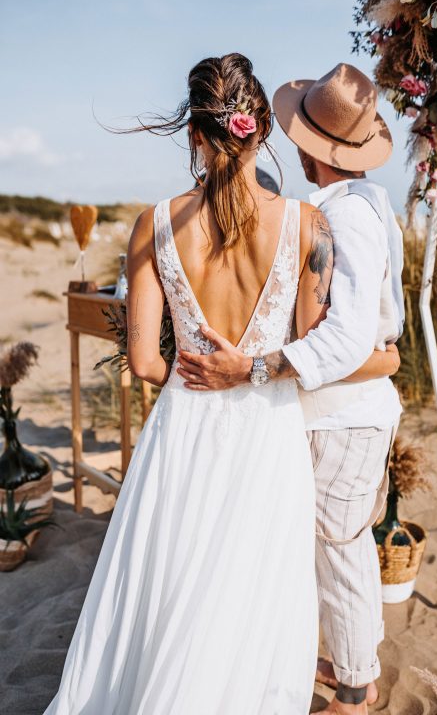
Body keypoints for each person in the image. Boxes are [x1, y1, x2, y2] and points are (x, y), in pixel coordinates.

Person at [42, 54, 396, 715]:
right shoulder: (309, 227)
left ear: (195, 138)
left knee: (167, 586)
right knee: (248, 594)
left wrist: (193, 360)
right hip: (266, 433)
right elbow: (311, 345)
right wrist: (255, 368)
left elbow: (146, 364)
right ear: (260, 130)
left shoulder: (154, 224)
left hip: (184, 431)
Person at [178, 63, 404, 715]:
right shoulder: (358, 206)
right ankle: (351, 663)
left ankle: (357, 691)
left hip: (344, 416)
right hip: (339, 411)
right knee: (330, 550)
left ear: (313, 148)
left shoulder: (346, 220)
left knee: (339, 553)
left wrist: (247, 369)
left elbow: (346, 340)